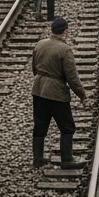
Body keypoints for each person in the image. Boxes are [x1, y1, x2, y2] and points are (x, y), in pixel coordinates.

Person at [31, 17, 87, 169]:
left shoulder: (40, 44)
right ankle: (67, 159)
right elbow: (72, 77)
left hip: (38, 89)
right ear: (65, 32)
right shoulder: (65, 50)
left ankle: (38, 158)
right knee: (67, 127)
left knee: (40, 125)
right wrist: (82, 95)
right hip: (56, 94)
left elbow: (34, 68)